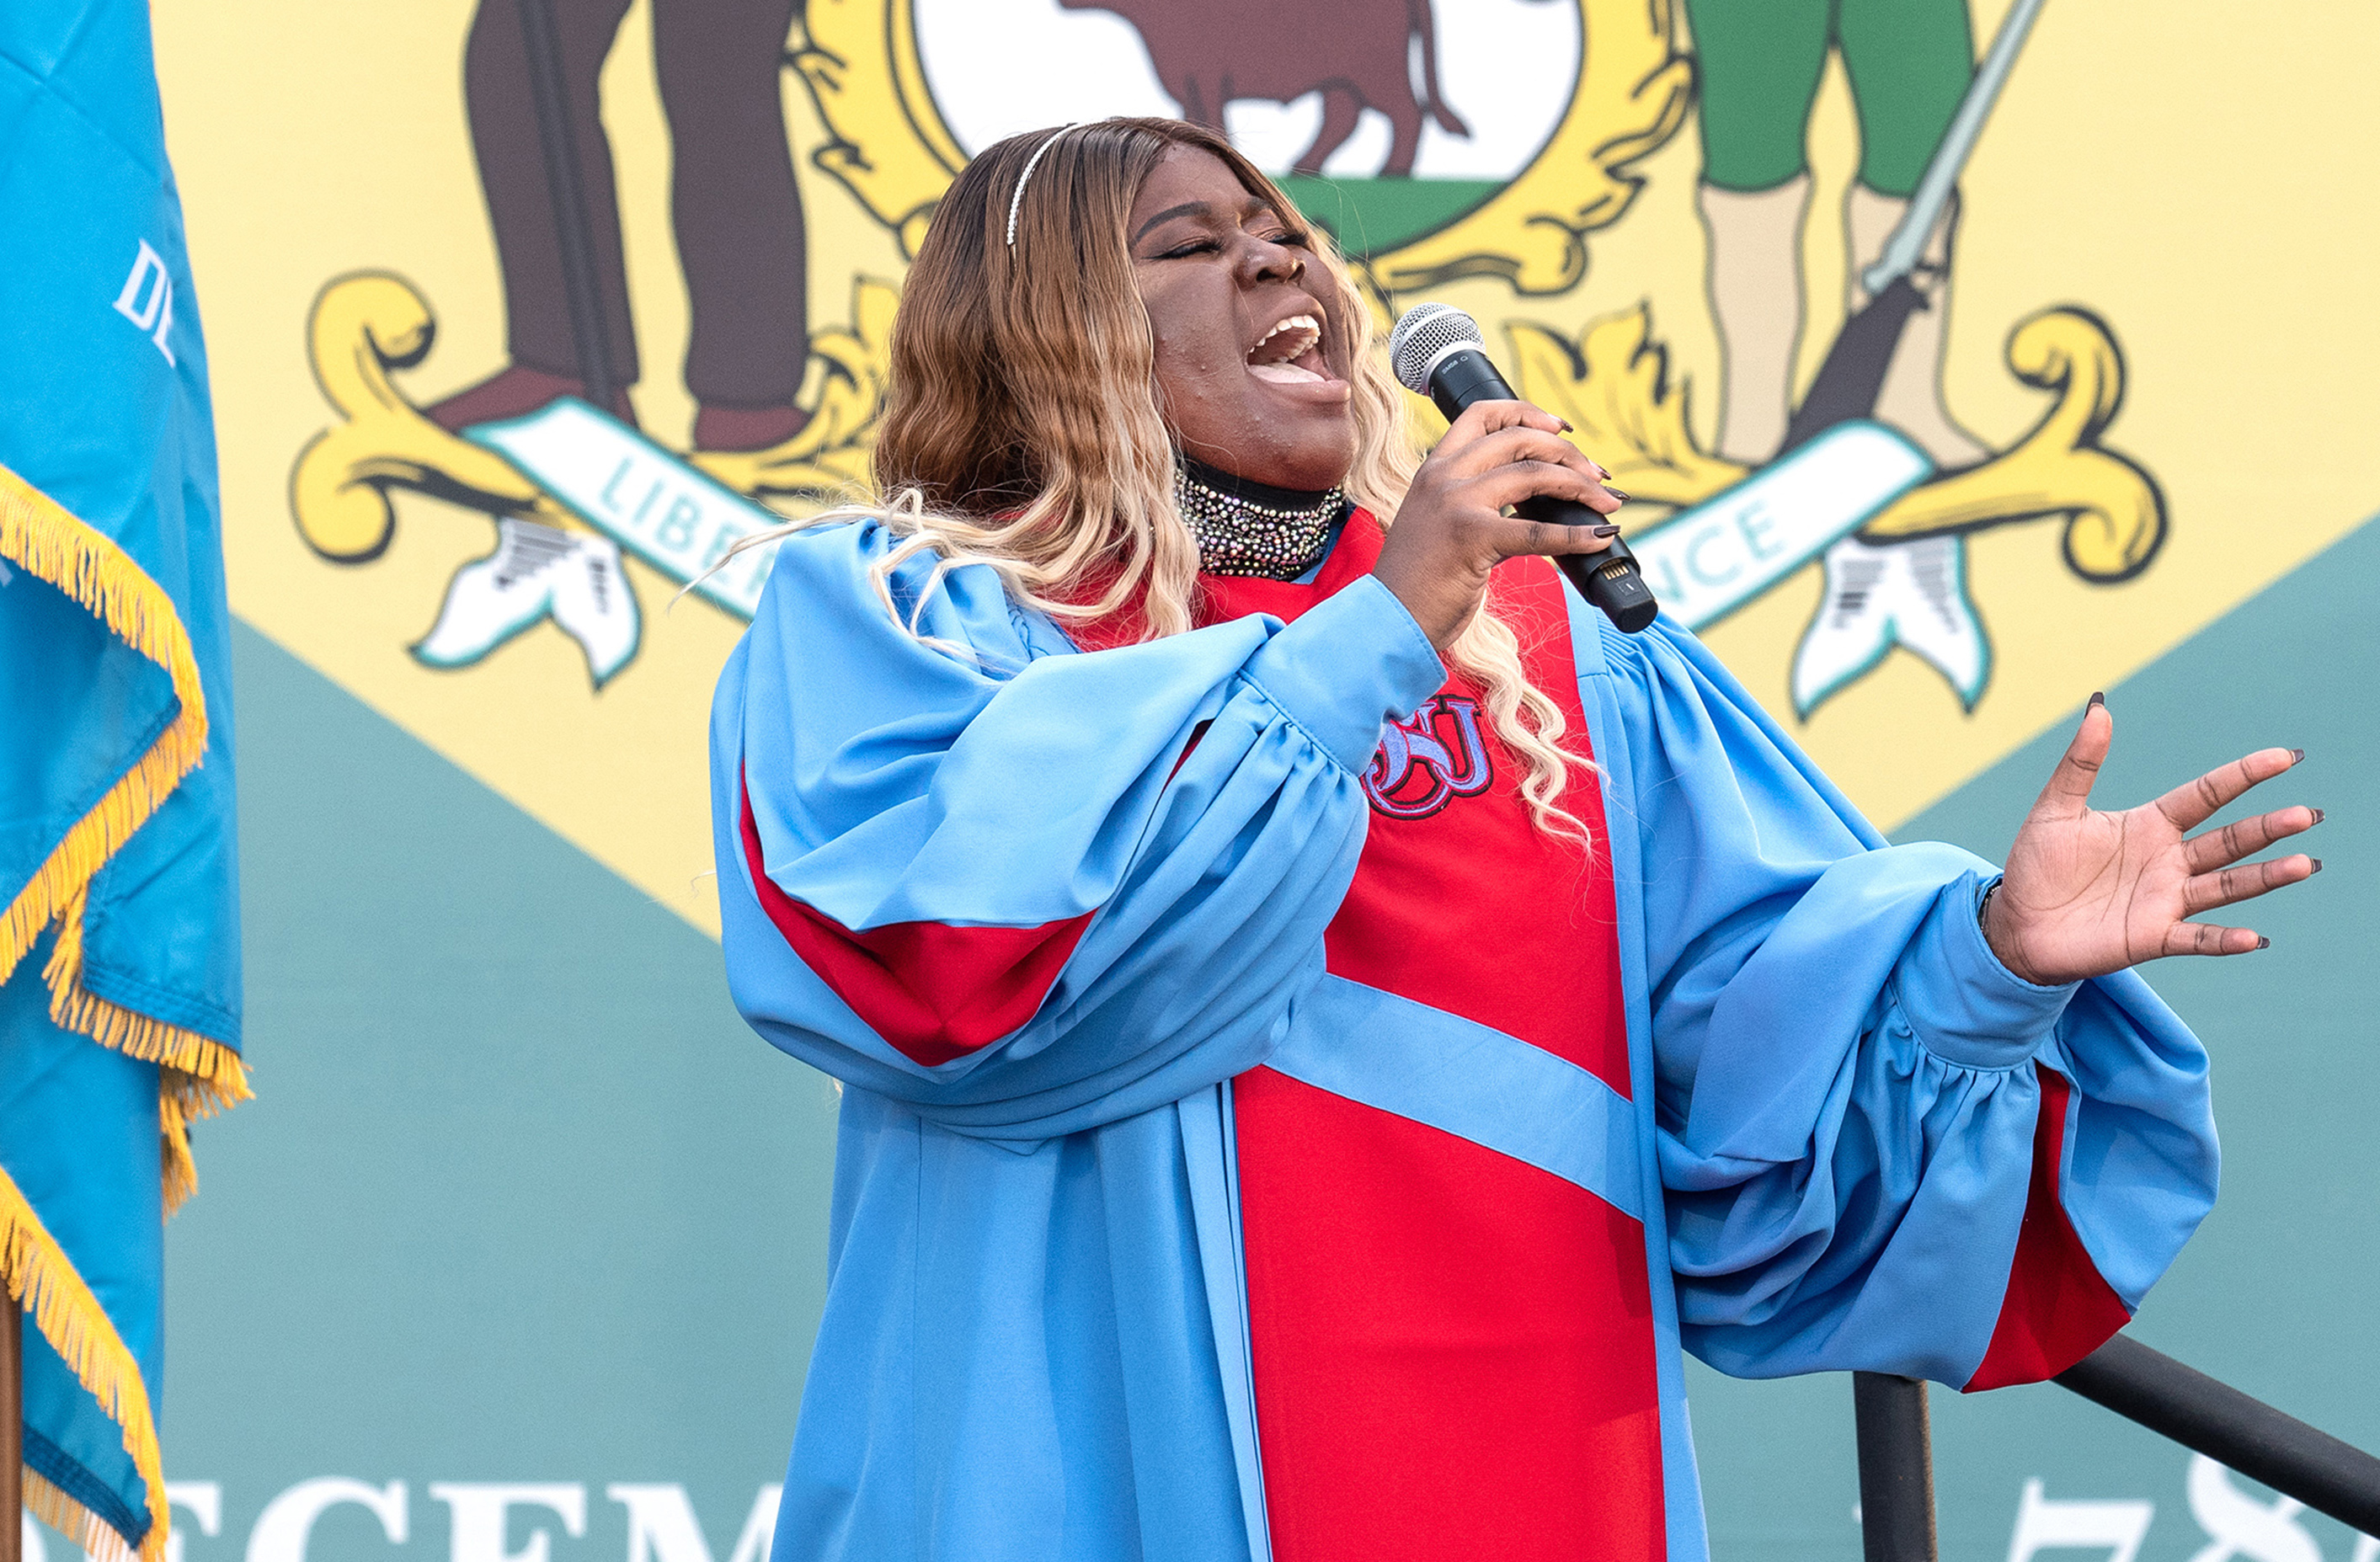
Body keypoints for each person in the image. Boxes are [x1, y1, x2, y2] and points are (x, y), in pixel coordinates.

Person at [708, 119, 2319, 1562]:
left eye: (1278, 234)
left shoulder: (1560, 657)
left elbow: (1750, 1075)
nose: (1273, 254)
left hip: (1537, 1464)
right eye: (1186, 245)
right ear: (1046, 334)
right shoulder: (913, 617)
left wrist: (1982, 966)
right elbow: (963, 976)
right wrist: (1376, 632)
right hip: (1088, 1464)